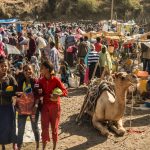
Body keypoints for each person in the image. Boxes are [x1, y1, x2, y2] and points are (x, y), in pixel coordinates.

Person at [39, 61, 68, 150]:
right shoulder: (41, 80)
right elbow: (38, 92)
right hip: (45, 107)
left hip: (55, 107)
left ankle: (54, 148)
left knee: (54, 129)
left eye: (42, 68)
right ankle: (43, 148)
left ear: (47, 69)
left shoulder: (56, 80)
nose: (41, 70)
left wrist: (57, 95)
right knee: (44, 129)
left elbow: (65, 92)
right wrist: (39, 93)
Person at [14, 64, 40, 150]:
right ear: (23, 72)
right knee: (20, 130)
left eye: (29, 69)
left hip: (33, 110)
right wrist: (17, 106)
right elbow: (17, 95)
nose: (27, 71)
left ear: (32, 70)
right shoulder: (20, 82)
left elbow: (37, 95)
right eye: (25, 70)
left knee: (34, 128)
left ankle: (37, 145)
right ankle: (19, 147)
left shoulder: (36, 82)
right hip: (22, 110)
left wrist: (36, 106)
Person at [0, 56, 17, 150]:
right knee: (1, 126)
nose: (4, 68)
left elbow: (15, 90)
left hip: (8, 106)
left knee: (11, 125)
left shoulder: (10, 78)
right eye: (2, 66)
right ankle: (2, 145)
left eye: (5, 66)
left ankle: (14, 143)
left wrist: (4, 93)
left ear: (8, 66)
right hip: (0, 106)